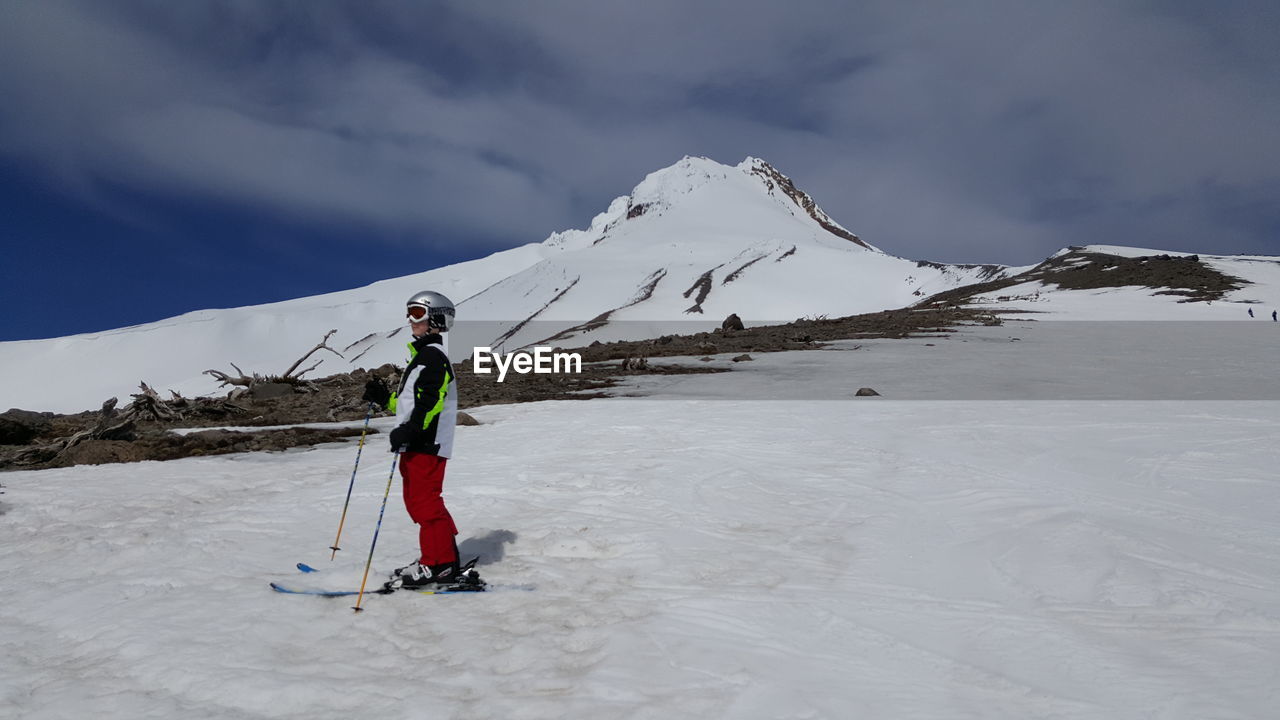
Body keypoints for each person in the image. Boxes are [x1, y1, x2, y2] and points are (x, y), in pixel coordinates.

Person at [362, 291, 481, 590]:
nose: (410, 320)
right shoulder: (422, 358)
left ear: (436, 318)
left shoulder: (432, 357)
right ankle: (442, 557)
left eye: (417, 313)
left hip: (427, 443)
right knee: (419, 503)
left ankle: (438, 565)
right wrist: (383, 399)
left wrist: (412, 430)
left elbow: (431, 402)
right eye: (410, 313)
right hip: (417, 441)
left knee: (425, 504)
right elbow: (411, 404)